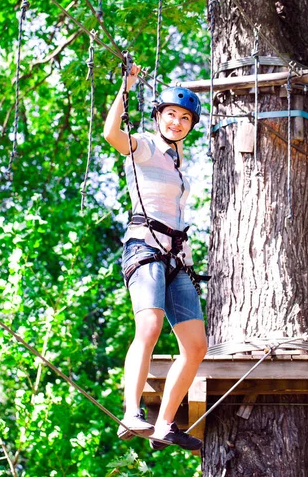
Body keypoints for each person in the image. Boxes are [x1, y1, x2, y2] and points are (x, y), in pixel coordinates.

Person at [103, 63, 207, 452]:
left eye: (184, 118)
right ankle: (132, 413)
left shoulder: (181, 166)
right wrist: (125, 88)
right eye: (170, 115)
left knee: (196, 346)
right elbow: (111, 133)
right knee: (149, 325)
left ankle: (165, 425)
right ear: (158, 117)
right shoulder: (145, 146)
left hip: (177, 258)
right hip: (144, 248)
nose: (177, 123)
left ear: (190, 125)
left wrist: (187, 262)